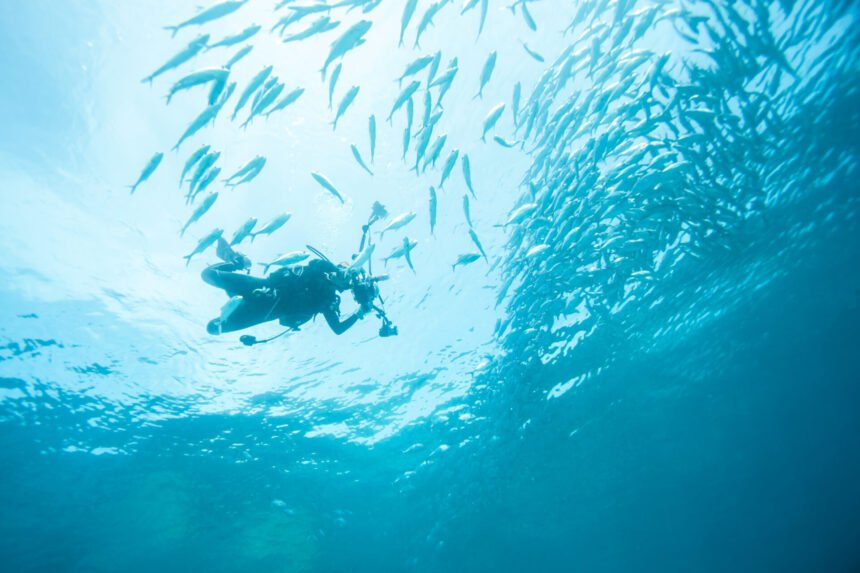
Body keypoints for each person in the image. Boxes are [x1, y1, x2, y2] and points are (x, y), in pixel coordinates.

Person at [202, 238, 372, 336]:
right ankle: (236, 262)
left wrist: (359, 312)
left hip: (268, 311)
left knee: (215, 328)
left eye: (346, 272)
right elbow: (316, 263)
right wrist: (336, 271)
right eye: (342, 268)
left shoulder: (329, 300)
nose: (343, 272)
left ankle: (234, 300)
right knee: (207, 275)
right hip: (265, 286)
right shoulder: (320, 269)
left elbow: (338, 329)